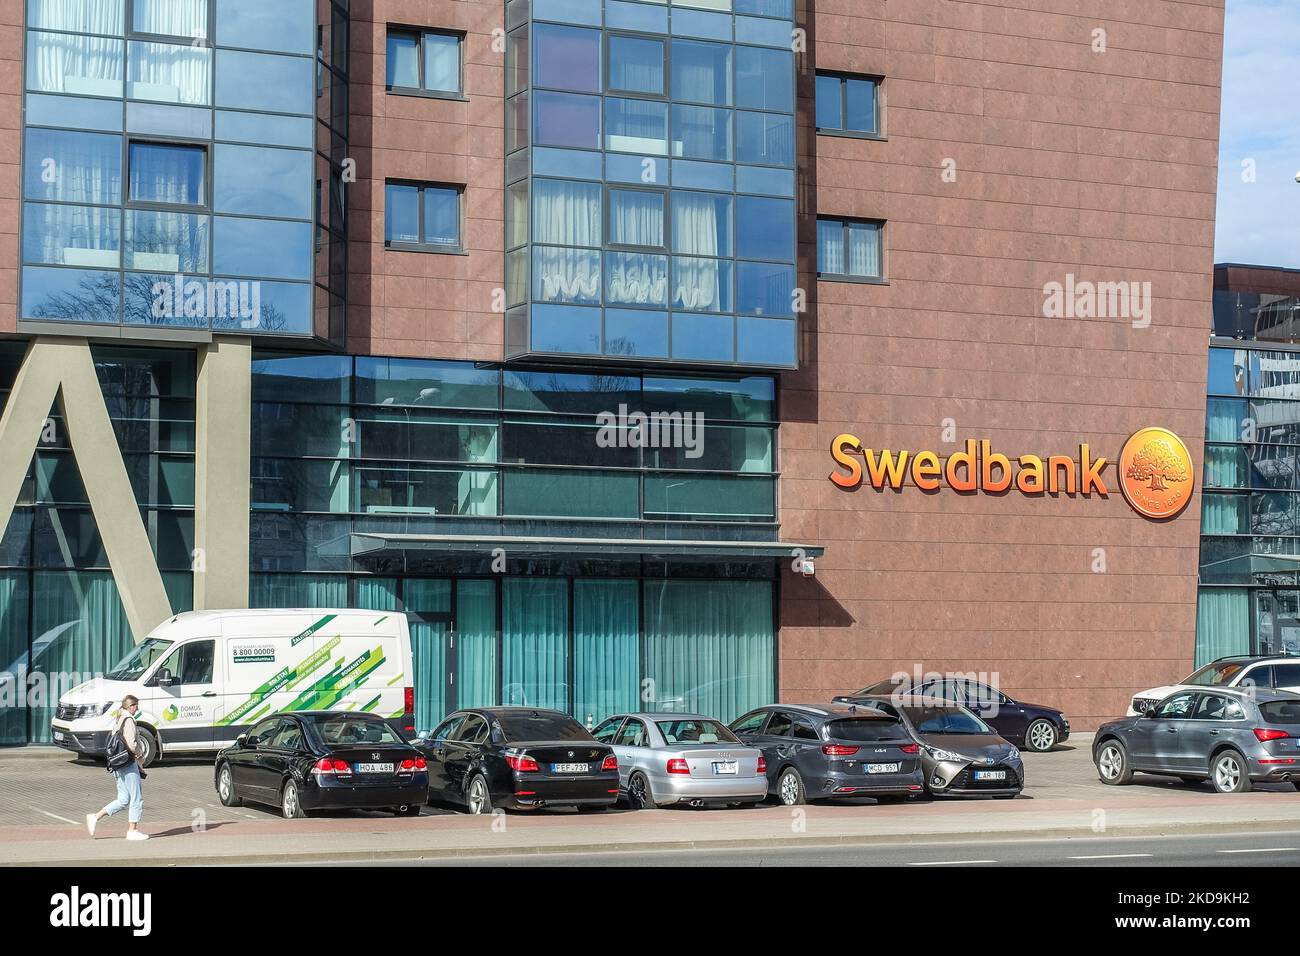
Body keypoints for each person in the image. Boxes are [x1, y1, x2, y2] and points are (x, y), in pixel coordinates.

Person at [86, 695, 149, 841]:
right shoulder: (129, 720)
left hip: (118, 764)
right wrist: (140, 756)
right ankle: (132, 830)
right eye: (136, 706)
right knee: (136, 797)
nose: (137, 709)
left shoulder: (119, 719)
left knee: (123, 799)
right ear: (131, 706)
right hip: (128, 763)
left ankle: (95, 817)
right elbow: (131, 743)